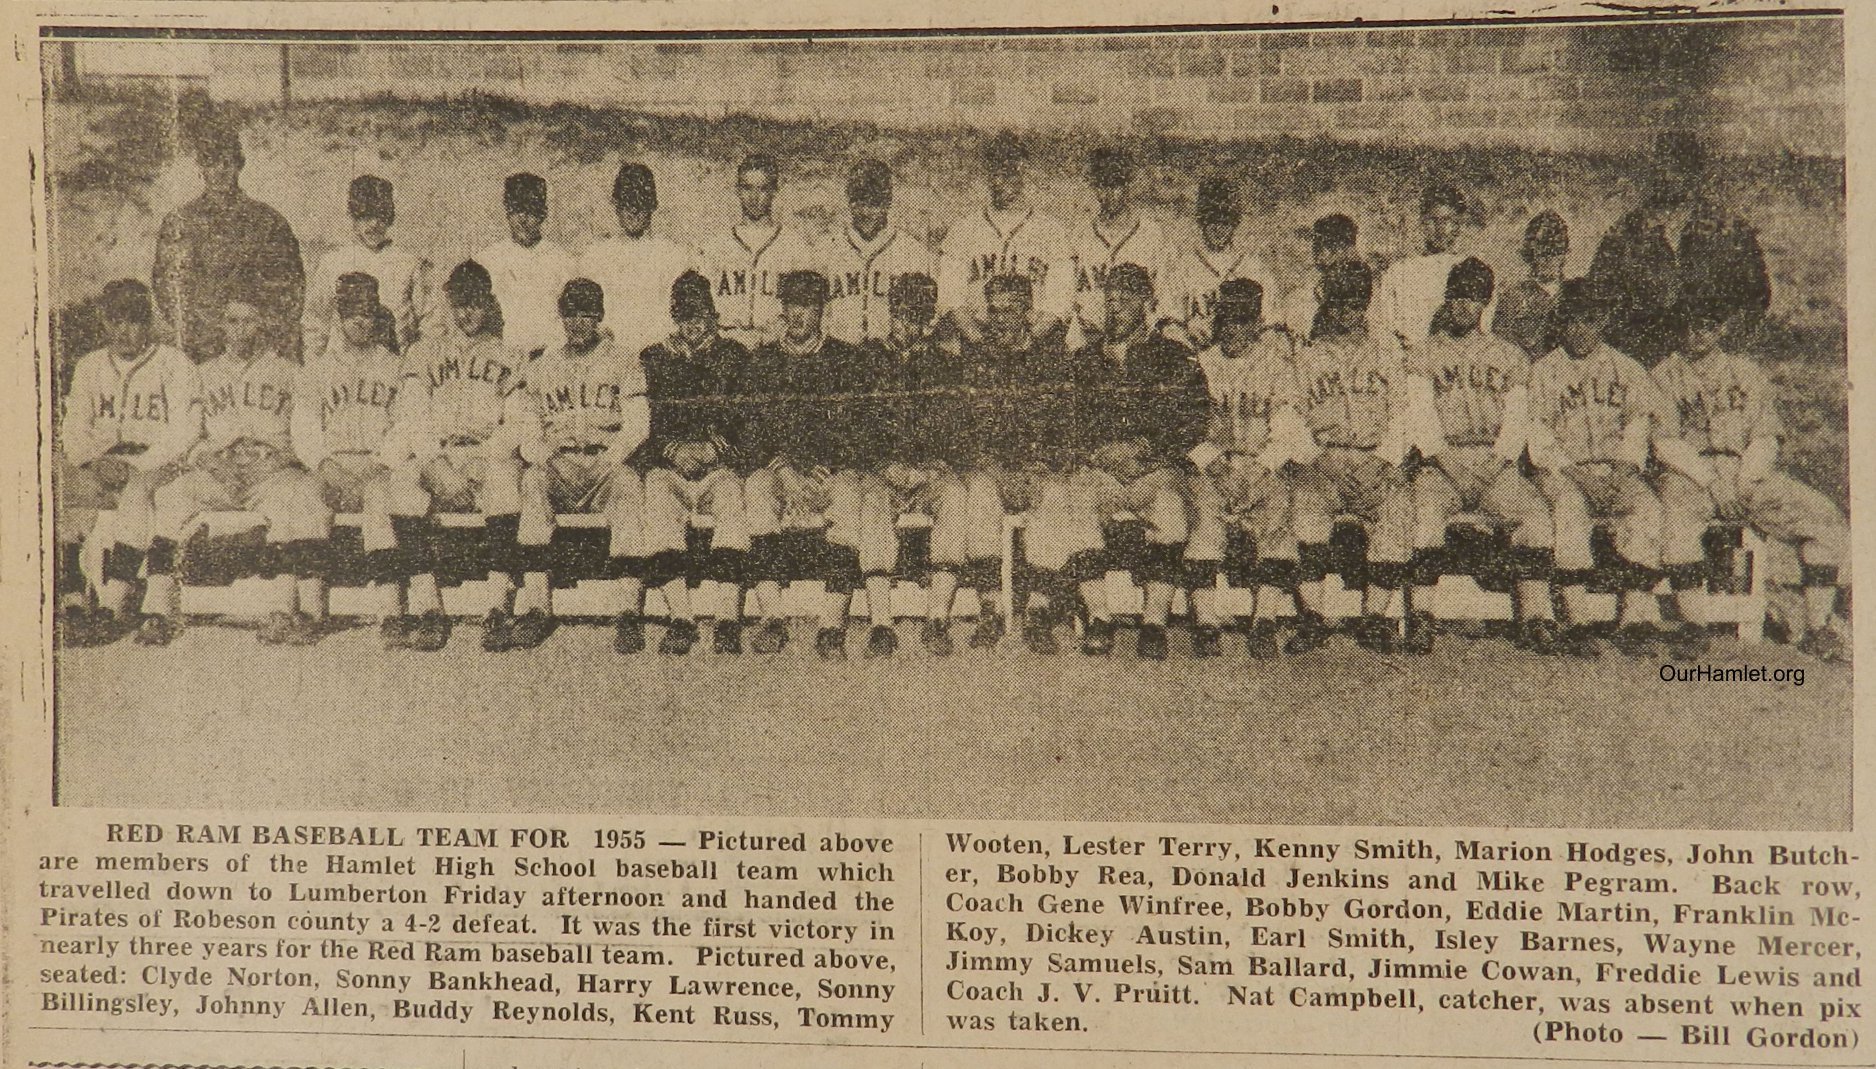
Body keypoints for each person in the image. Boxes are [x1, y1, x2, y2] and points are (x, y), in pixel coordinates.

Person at [1025, 263, 1208, 660]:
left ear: (1147, 303)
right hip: (1102, 470)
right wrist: (1095, 453)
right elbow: (1064, 420)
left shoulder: (1173, 355)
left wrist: (1145, 449)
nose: (1116, 307)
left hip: (1153, 469)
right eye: (1110, 300)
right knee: (1076, 499)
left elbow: (1194, 419)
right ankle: (1100, 616)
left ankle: (1154, 622)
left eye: (1126, 299)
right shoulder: (1085, 359)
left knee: (1170, 509)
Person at [1652, 295, 1850, 661]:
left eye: (1709, 326)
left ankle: (1817, 626)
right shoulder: (1663, 375)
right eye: (1692, 325)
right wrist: (1712, 482)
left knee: (1822, 517)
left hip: (1746, 471)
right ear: (1681, 327)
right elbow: (1665, 443)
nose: (1699, 334)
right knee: (1675, 524)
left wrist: (1745, 480)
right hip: (1690, 474)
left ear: (1722, 329)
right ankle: (1693, 625)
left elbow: (1765, 436)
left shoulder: (1745, 372)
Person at [141, 295, 329, 647]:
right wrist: (206, 459)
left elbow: (306, 434)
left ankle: (282, 610)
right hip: (219, 471)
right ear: (221, 326)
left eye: (248, 321)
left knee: (295, 502)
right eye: (232, 321)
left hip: (272, 471)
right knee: (171, 496)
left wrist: (281, 459)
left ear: (262, 325)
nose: (240, 329)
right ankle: (159, 610)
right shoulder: (202, 374)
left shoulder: (290, 371)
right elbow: (189, 433)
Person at [1402, 258, 1558, 655]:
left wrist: (1498, 460)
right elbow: (1421, 417)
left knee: (1535, 515)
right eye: (1456, 296)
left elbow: (1517, 418)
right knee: (1423, 515)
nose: (1463, 305)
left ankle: (1535, 616)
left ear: (1485, 303)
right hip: (1442, 462)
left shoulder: (1508, 354)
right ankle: (1421, 616)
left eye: (1472, 298)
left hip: (1493, 461)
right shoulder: (1424, 352)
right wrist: (1444, 459)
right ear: (1446, 298)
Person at [379, 260, 535, 653]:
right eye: (461, 304)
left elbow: (518, 420)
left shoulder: (510, 355)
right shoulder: (423, 352)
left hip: (486, 451)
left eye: (476, 303)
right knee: (403, 485)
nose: (468, 313)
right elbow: (412, 415)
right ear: (449, 304)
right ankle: (429, 605)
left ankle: (498, 606)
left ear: (489, 303)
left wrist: (488, 454)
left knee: (505, 482)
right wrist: (435, 463)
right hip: (439, 451)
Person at [737, 270, 889, 659]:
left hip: (831, 472)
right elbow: (751, 429)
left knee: (849, 493)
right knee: (755, 487)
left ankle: (832, 625)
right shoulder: (763, 360)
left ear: (822, 310)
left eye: (808, 306)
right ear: (782, 309)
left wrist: (831, 466)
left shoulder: (846, 358)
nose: (798, 314)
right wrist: (783, 470)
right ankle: (773, 618)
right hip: (780, 473)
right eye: (791, 305)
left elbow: (861, 428)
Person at [1526, 278, 1670, 658]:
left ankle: (1635, 617)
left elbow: (1637, 427)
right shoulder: (1544, 370)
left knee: (1647, 509)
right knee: (1568, 511)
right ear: (1561, 321)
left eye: (1589, 320)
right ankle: (1578, 620)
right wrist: (1580, 476)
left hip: (1617, 470)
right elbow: (1539, 437)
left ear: (1603, 320)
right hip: (1563, 471)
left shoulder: (1627, 368)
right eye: (1572, 320)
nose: (1580, 329)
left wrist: (1622, 471)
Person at [55, 279, 202, 646]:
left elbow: (186, 429)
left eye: (133, 321)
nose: (123, 331)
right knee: (64, 492)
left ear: (147, 323)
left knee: (145, 496)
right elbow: (74, 429)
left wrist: (143, 465)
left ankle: (117, 604)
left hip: (156, 462)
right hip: (102, 462)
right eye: (115, 321)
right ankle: (74, 603)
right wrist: (94, 460)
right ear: (104, 322)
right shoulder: (90, 366)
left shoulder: (173, 363)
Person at [511, 278, 652, 652]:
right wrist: (547, 457)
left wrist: (612, 457)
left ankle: (628, 611)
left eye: (586, 313)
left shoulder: (623, 359)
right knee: (533, 481)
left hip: (606, 460)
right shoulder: (543, 366)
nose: (577, 322)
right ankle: (538, 607)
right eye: (570, 313)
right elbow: (528, 432)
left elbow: (638, 425)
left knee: (628, 484)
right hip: (561, 462)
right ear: (560, 316)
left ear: (600, 315)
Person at [1289, 260, 1421, 654]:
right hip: (1324, 461)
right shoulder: (1307, 355)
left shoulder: (1386, 351)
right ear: (1327, 305)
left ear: (1365, 305)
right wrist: (1320, 460)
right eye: (1339, 304)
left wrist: (1381, 461)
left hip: (1374, 460)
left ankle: (1375, 617)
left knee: (1397, 508)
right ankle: (1312, 616)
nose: (1347, 313)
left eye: (1355, 304)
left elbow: (1404, 414)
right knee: (1303, 508)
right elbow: (1290, 418)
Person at [1183, 279, 1314, 659]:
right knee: (1204, 519)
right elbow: (1186, 428)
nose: (1233, 329)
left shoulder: (1276, 366)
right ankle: (1206, 621)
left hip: (1261, 465)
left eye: (1242, 320)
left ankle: (1264, 620)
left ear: (1257, 323)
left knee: (1277, 515)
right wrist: (1214, 464)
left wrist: (1262, 469)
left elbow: (1288, 428)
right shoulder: (1201, 363)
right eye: (1226, 319)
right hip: (1212, 466)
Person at [636, 271, 755, 656]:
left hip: (717, 467)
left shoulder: (735, 356)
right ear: (675, 316)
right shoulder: (654, 358)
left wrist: (712, 450)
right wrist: (672, 451)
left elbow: (747, 423)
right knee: (656, 495)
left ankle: (727, 618)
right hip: (671, 468)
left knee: (733, 499)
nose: (692, 323)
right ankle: (681, 618)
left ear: (713, 314)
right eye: (684, 315)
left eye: (700, 314)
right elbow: (643, 424)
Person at [855, 272, 971, 656]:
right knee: (872, 501)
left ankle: (937, 617)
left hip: (930, 471)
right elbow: (856, 424)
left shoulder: (945, 364)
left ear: (929, 318)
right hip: (883, 471)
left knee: (955, 494)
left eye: (917, 315)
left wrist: (931, 467)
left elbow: (956, 428)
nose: (907, 323)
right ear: (890, 312)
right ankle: (881, 623)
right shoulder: (867, 357)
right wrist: (883, 464)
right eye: (901, 313)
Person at [290, 272, 409, 647]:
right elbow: (304, 428)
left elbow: (406, 425)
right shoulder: (318, 369)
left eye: (368, 313)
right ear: (339, 316)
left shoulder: (395, 366)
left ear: (377, 315)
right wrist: (327, 467)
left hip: (378, 464)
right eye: (352, 313)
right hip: (333, 464)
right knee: (306, 497)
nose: (360, 321)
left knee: (379, 500)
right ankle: (311, 611)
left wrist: (381, 463)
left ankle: (391, 612)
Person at [957, 273, 1071, 652]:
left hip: (1037, 467)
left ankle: (1038, 610)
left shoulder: (1052, 360)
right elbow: (965, 428)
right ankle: (990, 606)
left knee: (1055, 494)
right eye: (994, 312)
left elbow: (1065, 425)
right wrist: (993, 468)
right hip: (991, 467)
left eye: (1010, 311)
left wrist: (1039, 466)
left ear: (1028, 312)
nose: (1000, 320)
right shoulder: (975, 358)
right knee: (979, 492)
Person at [1589, 131, 1771, 368]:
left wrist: (1721, 349)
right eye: (1661, 165)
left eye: (1678, 167)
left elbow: (1756, 298)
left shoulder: (1728, 230)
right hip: (1643, 366)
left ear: (1696, 173)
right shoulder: (1627, 231)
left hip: (1709, 367)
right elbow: (1598, 298)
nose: (1666, 175)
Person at [152, 118, 304, 361]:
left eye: (227, 162)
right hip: (202, 347)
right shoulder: (181, 222)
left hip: (258, 348)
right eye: (211, 162)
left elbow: (289, 287)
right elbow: (169, 287)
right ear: (201, 167)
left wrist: (260, 332)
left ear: (238, 165)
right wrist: (203, 332)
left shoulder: (268, 221)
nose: (220, 171)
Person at [936, 132, 1072, 345]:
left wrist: (1028, 342)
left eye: (1007, 174)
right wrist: (979, 340)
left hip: (1035, 344)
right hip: (977, 342)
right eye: (994, 174)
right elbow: (950, 297)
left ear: (1023, 170)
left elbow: (1060, 302)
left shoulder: (1051, 231)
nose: (998, 182)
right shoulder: (964, 229)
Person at [695, 153, 825, 346]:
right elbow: (702, 307)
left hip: (778, 348)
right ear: (738, 190)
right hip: (725, 347)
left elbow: (811, 306)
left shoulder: (795, 245)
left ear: (774, 191)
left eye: (763, 189)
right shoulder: (715, 246)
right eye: (747, 188)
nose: (754, 197)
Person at [302, 174, 431, 360]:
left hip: (396, 366)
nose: (374, 224)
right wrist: (314, 366)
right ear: (354, 217)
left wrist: (415, 366)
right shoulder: (332, 262)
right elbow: (315, 324)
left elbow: (430, 325)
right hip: (343, 368)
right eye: (366, 216)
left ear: (389, 218)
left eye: (381, 216)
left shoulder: (410, 264)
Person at [577, 162, 696, 362]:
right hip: (608, 360)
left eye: (640, 202)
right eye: (626, 202)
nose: (633, 210)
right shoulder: (595, 256)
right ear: (615, 204)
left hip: (662, 360)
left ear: (653, 205)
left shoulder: (674, 256)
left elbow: (685, 316)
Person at [1064, 146, 1170, 350]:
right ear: (1094, 187)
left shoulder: (1152, 234)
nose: (1109, 194)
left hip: (1138, 343)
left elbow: (1163, 296)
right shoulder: (1080, 234)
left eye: (1115, 185)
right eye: (1102, 186)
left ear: (1127, 185)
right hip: (1087, 342)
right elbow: (1067, 294)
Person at [1161, 174, 1281, 351]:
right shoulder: (1183, 265)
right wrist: (1185, 331)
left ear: (1235, 223)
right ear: (1202, 220)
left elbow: (1271, 323)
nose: (1219, 228)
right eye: (1212, 220)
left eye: (1226, 221)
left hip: (1244, 358)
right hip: (1195, 354)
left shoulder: (1253, 266)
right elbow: (1167, 322)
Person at [825, 159, 937, 345]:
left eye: (874, 204)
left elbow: (928, 318)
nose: (866, 212)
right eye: (859, 202)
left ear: (888, 201)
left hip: (892, 355)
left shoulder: (912, 251)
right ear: (849, 201)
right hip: (838, 354)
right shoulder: (827, 248)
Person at [1372, 184, 1488, 351]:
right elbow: (1384, 325)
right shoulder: (1399, 271)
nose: (1440, 229)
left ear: (1458, 225)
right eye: (1433, 220)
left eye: (1448, 220)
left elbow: (1484, 327)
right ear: (1421, 222)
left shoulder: (1473, 271)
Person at [476, 172, 577, 358]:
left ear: (543, 213)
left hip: (551, 359)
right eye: (516, 210)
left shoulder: (563, 261)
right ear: (507, 212)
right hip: (502, 358)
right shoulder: (487, 260)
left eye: (531, 211)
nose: (523, 219)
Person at [1492, 209, 1569, 360]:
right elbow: (1500, 348)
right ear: (1530, 254)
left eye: (1555, 251)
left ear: (1564, 253)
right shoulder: (1512, 296)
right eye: (1543, 251)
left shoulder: (1575, 296)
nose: (1549, 259)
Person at [1279, 213, 1362, 340]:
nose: (1316, 257)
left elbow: (1343, 321)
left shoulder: (1349, 274)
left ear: (1337, 248)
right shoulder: (1339, 272)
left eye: (1318, 247)